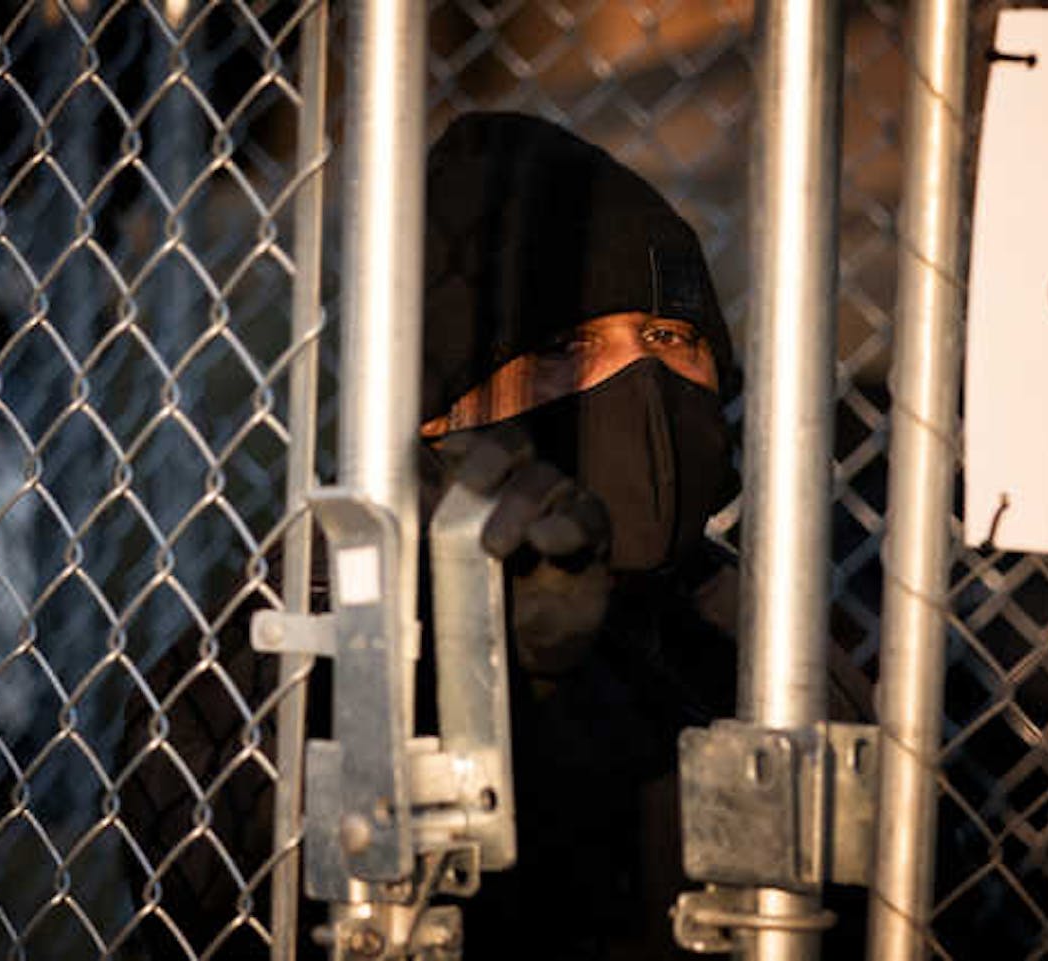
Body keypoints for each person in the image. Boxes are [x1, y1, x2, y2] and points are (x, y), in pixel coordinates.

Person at [118, 111, 741, 961]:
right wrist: (482, 671)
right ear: (447, 403)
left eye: (671, 338)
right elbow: (208, 859)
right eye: (566, 347)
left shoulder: (758, 628)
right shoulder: (322, 604)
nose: (640, 378)